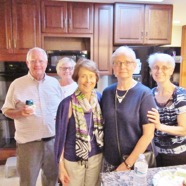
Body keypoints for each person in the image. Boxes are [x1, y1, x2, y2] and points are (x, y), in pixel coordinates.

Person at [1, 47, 62, 186]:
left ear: (46, 63)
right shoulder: (17, 84)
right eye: (33, 61)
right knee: (27, 182)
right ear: (27, 63)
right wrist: (20, 113)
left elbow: (62, 109)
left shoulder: (54, 84)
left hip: (53, 142)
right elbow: (6, 110)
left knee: (51, 181)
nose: (37, 64)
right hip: (28, 145)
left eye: (41, 60)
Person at [101, 46, 156, 172]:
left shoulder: (144, 94)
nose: (122, 66)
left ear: (134, 65)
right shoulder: (107, 93)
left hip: (136, 163)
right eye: (118, 63)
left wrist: (127, 164)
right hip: (109, 161)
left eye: (127, 62)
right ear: (113, 67)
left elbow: (148, 134)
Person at [55, 59, 103, 186]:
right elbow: (60, 139)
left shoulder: (98, 98)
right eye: (83, 76)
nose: (88, 81)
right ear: (76, 78)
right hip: (73, 160)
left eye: (91, 76)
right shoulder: (67, 104)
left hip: (95, 157)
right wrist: (60, 167)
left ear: (96, 78)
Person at [147, 53, 186, 167]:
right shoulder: (150, 94)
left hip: (177, 155)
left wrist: (159, 126)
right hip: (156, 153)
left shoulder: (180, 95)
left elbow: (184, 130)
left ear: (171, 70)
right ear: (151, 70)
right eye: (156, 67)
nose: (159, 71)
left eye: (164, 67)